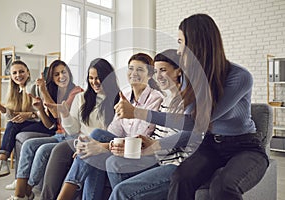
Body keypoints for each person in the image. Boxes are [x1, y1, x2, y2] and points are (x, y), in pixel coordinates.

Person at [109, 14, 269, 200]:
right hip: (209, 146)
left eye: (181, 43)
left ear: (198, 45)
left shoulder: (240, 77)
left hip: (244, 147)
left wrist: (137, 112)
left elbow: (196, 122)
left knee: (223, 186)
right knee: (180, 178)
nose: (179, 51)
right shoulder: (189, 79)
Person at [56, 53, 163, 200]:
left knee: (95, 147)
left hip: (141, 152)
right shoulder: (124, 94)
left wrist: (101, 146)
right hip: (122, 146)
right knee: (94, 147)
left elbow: (139, 137)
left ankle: (64, 196)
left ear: (150, 74)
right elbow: (114, 129)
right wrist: (92, 146)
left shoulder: (155, 98)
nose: (134, 73)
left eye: (140, 70)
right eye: (131, 69)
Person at [105, 49, 187, 197]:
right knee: (113, 163)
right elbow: (158, 134)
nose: (158, 76)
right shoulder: (167, 100)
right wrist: (146, 142)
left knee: (121, 190)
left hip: (174, 165)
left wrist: (149, 147)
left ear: (178, 72)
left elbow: (180, 140)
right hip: (158, 157)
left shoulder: (185, 102)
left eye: (163, 70)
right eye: (156, 71)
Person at [38, 58, 120, 200]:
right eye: (91, 78)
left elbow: (113, 132)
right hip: (80, 141)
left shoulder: (118, 100)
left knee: (94, 145)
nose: (94, 82)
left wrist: (91, 145)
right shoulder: (81, 97)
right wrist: (64, 113)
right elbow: (73, 129)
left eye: (99, 78)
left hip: (103, 144)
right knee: (62, 151)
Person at [7, 60, 83, 200]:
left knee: (42, 150)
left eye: (63, 72)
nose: (61, 76)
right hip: (59, 135)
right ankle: (20, 192)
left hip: (73, 137)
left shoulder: (77, 92)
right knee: (28, 144)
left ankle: (25, 192)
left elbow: (56, 113)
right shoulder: (56, 92)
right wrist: (40, 108)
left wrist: (43, 90)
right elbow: (50, 125)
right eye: (56, 74)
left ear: (69, 74)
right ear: (52, 78)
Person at [0, 60, 55, 181]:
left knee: (13, 125)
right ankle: (16, 176)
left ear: (28, 72)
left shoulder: (35, 87)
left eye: (22, 71)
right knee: (13, 124)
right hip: (32, 124)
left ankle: (2, 162)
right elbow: (14, 116)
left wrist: (30, 115)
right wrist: (0, 107)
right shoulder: (15, 91)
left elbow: (48, 112)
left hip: (45, 124)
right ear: (11, 76)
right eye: (15, 73)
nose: (18, 75)